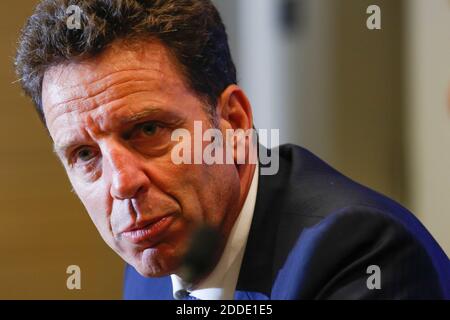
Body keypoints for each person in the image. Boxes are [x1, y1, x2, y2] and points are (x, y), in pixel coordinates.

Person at [15, 0, 449, 300]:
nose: (123, 184)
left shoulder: (358, 253)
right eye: (85, 155)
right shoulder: (150, 254)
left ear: (235, 121)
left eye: (147, 129)